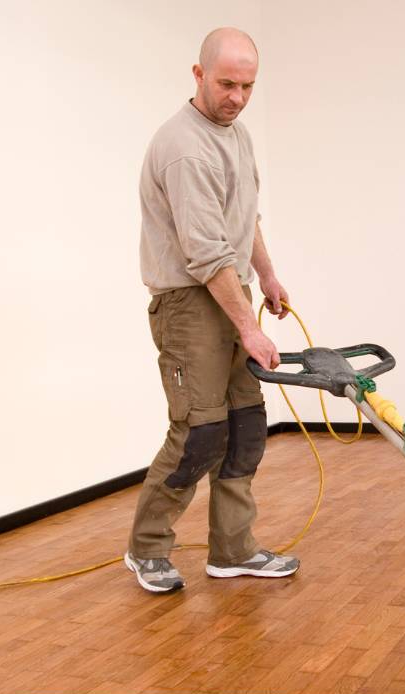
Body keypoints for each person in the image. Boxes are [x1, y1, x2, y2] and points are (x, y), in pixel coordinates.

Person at [125, 28, 299, 593]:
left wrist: (267, 276)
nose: (238, 97)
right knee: (200, 432)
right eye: (227, 84)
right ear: (197, 75)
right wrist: (246, 327)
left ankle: (233, 549)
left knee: (247, 426)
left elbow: (243, 219)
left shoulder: (238, 135)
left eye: (248, 86)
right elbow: (203, 252)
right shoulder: (183, 147)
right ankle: (146, 549)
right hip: (188, 303)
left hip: (232, 291)